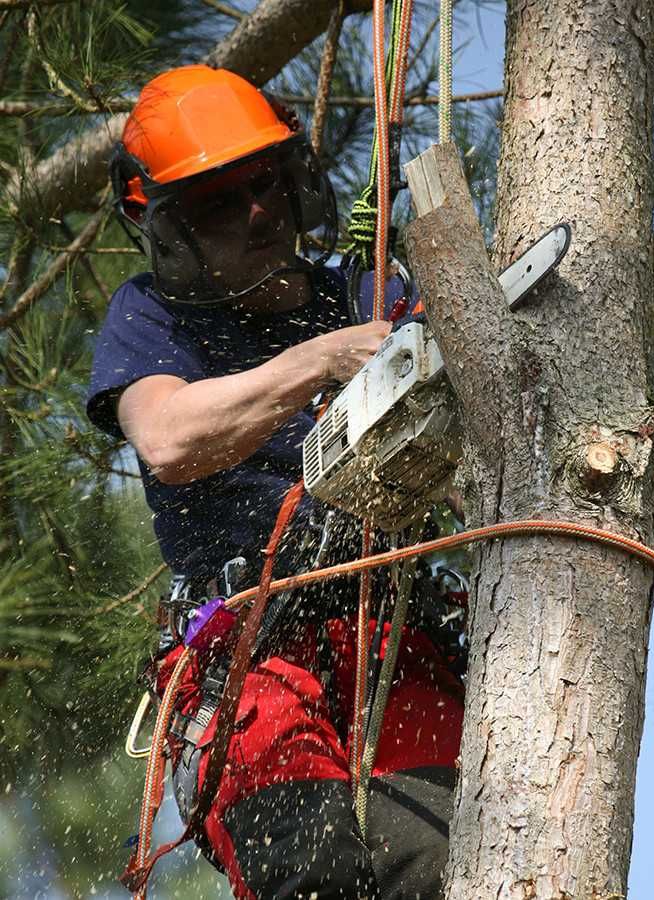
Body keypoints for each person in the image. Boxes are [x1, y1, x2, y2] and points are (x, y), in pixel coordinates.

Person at [86, 65, 465, 900]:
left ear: (294, 182)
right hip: (249, 658)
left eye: (262, 185)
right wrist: (318, 361)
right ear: (173, 228)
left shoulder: (365, 293)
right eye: (220, 202)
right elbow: (168, 438)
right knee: (313, 872)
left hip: (389, 635)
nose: (255, 212)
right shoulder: (151, 317)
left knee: (438, 866)